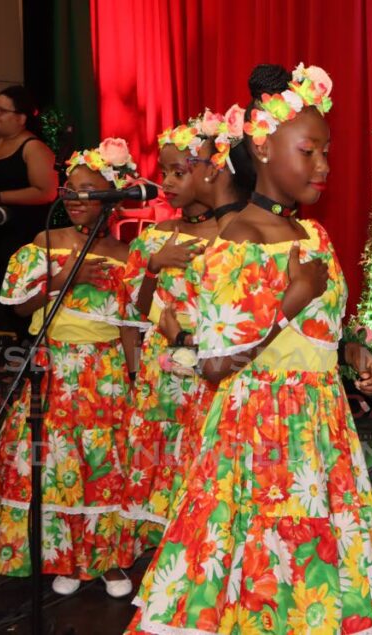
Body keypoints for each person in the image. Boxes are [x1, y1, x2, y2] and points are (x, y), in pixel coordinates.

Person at [126, 62, 372, 634]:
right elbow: (218, 365)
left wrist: (355, 356)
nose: (324, 165)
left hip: (322, 427)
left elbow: (325, 334)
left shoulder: (314, 234)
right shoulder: (237, 238)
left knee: (311, 574)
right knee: (257, 567)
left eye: (326, 152)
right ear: (265, 150)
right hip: (259, 431)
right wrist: (291, 300)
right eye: (310, 151)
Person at [0, 137, 140, 597]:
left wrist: (136, 381)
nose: (76, 200)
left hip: (105, 374)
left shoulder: (122, 255)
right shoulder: (45, 242)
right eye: (71, 190)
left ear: (111, 199)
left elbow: (129, 328)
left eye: (89, 192)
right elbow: (18, 309)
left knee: (102, 465)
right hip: (51, 367)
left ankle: (107, 560)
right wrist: (60, 278)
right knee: (53, 465)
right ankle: (64, 557)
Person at [119, 104, 248, 562]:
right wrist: (153, 268)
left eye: (178, 171)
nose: (168, 183)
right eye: (164, 173)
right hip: (164, 375)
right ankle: (164, 558)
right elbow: (134, 308)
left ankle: (206, 551)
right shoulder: (155, 237)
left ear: (212, 172)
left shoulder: (237, 232)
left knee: (204, 459)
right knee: (163, 458)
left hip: (212, 369)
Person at [0, 85, 58, 337]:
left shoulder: (33, 147)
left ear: (21, 118)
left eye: (1, 110)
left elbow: (46, 192)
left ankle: (18, 354)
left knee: (12, 294)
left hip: (20, 237)